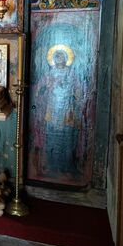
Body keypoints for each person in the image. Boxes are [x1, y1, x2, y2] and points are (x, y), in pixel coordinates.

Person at [32, 48, 83, 177]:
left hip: (67, 109)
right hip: (52, 109)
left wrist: (74, 93)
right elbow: (40, 88)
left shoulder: (71, 73)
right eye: (56, 56)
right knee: (52, 137)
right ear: (53, 58)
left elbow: (79, 91)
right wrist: (46, 87)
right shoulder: (50, 73)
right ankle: (52, 165)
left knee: (67, 138)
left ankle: (66, 166)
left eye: (61, 56)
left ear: (66, 58)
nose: (58, 58)